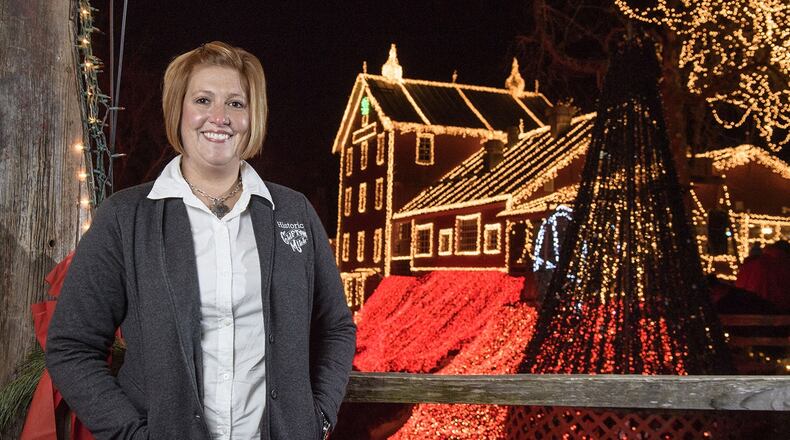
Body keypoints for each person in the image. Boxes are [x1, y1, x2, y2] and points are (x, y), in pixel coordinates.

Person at [46, 41, 356, 440]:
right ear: (179, 109)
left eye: (236, 104)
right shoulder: (125, 218)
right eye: (203, 100)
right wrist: (131, 434)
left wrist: (319, 418)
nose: (219, 117)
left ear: (253, 117)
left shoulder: (293, 212)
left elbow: (336, 327)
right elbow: (72, 346)